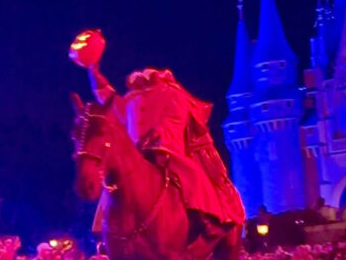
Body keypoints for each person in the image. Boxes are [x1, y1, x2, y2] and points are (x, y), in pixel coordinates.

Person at [86, 56, 245, 237]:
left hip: (166, 150)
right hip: (137, 153)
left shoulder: (173, 94)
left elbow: (175, 119)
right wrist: (94, 72)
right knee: (115, 182)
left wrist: (157, 133)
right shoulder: (131, 99)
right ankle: (108, 227)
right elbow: (108, 98)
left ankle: (202, 219)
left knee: (191, 175)